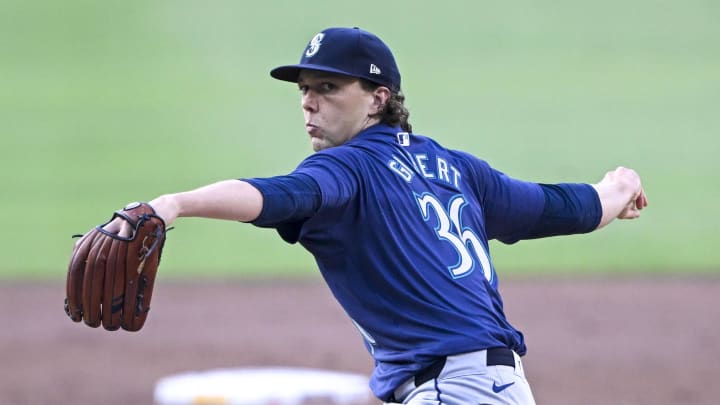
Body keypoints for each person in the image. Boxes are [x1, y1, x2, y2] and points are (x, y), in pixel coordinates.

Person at [105, 27, 648, 404]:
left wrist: (172, 205)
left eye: (329, 87)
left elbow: (277, 196)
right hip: (491, 388)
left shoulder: (348, 170)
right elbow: (561, 207)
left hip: (452, 392)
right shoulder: (455, 167)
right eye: (304, 90)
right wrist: (616, 188)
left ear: (377, 97)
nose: (308, 103)